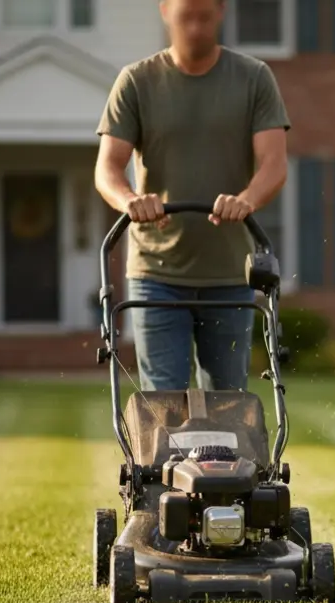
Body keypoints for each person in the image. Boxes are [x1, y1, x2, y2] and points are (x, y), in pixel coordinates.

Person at [94, 0, 290, 393]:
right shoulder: (136, 81)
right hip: (156, 273)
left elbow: (274, 164)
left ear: (221, 12)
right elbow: (108, 169)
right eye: (187, 17)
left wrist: (247, 200)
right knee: (164, 401)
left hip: (230, 272)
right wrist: (130, 200)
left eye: (205, 17)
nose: (196, 28)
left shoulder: (254, 78)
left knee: (228, 401)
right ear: (165, 11)